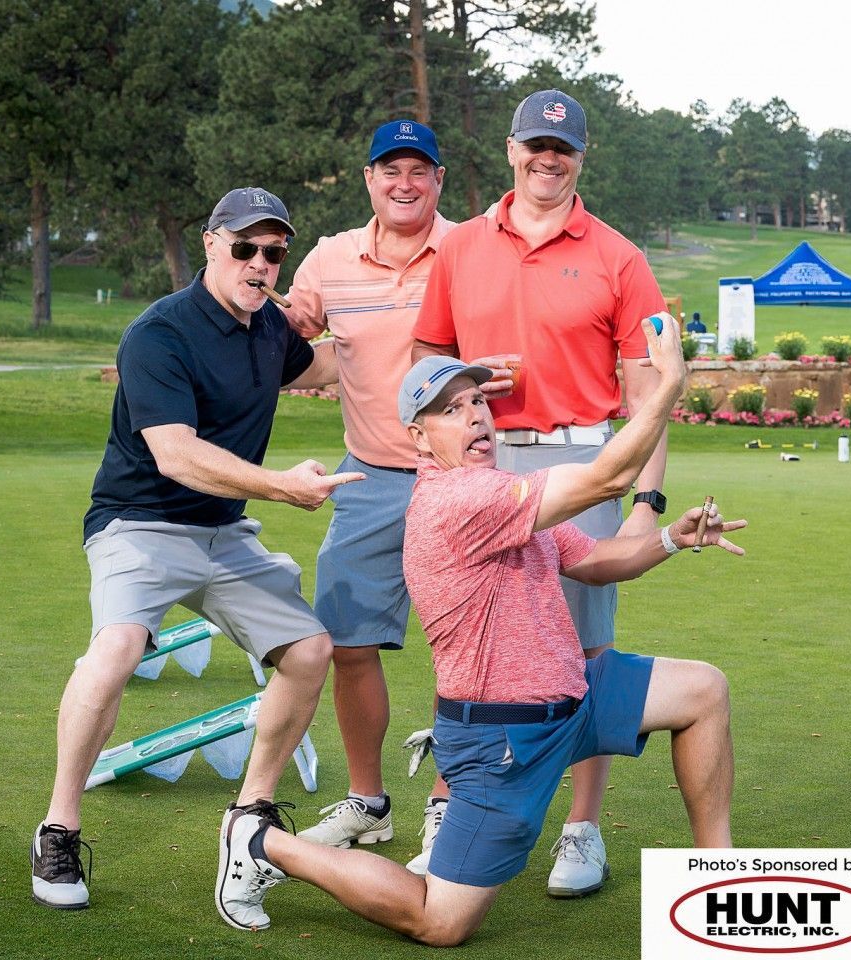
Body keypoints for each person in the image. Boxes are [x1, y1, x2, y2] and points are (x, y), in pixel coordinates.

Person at [215, 318, 740, 945]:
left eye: (475, 402)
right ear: (417, 437)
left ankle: (721, 881)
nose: (474, 417)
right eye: (447, 409)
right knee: (441, 921)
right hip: (502, 741)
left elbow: (598, 563)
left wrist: (668, 539)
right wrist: (667, 384)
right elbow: (606, 479)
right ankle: (259, 839)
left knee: (703, 690)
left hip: (575, 701)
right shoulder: (457, 503)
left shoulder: (502, 495)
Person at [31, 187, 357, 913]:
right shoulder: (159, 334)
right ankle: (58, 827)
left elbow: (326, 367)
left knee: (308, 653)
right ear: (211, 243)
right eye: (245, 247)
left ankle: (252, 816)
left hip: (224, 534)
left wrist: (428, 341)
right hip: (139, 524)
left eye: (274, 252)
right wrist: (279, 485)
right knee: (115, 651)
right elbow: (176, 456)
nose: (260, 263)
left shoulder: (269, 330)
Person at [411, 87, 670, 896]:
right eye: (534, 145)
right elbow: (423, 366)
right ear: (511, 150)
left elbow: (648, 394)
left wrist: (645, 504)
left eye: (562, 149)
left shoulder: (617, 255)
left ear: (580, 157)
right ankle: (450, 812)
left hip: (581, 457)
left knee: (586, 651)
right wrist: (466, 385)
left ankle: (581, 830)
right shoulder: (459, 248)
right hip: (480, 463)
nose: (546, 159)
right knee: (472, 649)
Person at [283, 120, 483, 871]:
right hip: (368, 476)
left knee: (464, 654)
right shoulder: (330, 258)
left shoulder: (470, 250)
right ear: (368, 178)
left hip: (459, 482)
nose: (404, 183)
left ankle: (446, 801)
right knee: (347, 643)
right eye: (389, 169)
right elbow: (287, 332)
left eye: (419, 171)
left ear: (437, 180)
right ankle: (368, 803)